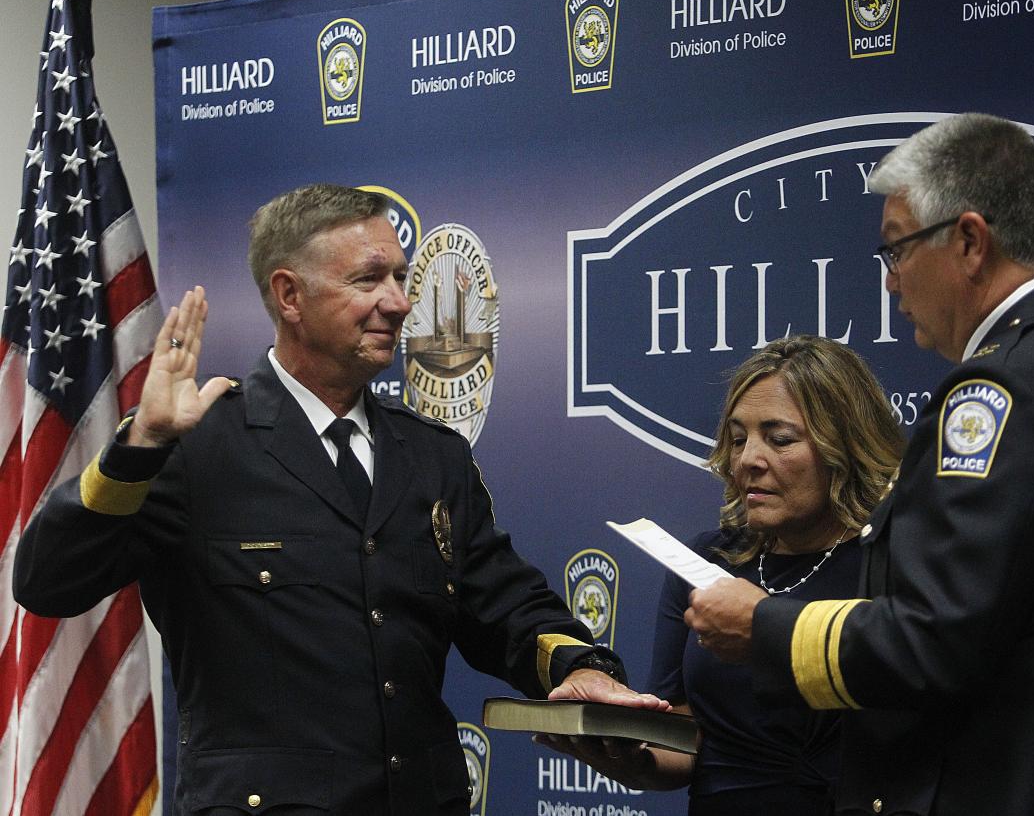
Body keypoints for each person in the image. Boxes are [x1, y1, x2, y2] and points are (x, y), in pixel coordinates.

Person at [13, 184, 663, 815]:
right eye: (368, 279)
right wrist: (139, 446)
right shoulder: (196, 446)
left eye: (402, 278)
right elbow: (47, 582)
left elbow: (504, 602)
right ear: (290, 295)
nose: (400, 302)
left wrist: (578, 666)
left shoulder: (431, 455)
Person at [685, 113, 1034, 815]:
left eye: (896, 250)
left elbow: (937, 639)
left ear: (969, 241)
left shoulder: (1001, 389)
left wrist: (769, 628)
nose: (891, 283)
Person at [539, 335, 903, 814]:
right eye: (737, 439)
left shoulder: (895, 560)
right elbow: (684, 739)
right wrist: (627, 756)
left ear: (845, 445)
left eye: (779, 439)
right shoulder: (706, 562)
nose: (748, 459)